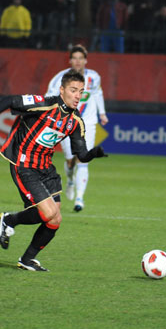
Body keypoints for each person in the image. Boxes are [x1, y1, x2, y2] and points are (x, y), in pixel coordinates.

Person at [0, 70, 108, 271]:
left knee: (55, 219)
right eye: (73, 90)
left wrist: (93, 153)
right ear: (62, 90)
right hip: (24, 164)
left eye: (81, 91)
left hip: (46, 168)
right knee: (49, 213)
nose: (78, 95)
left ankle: (26, 258)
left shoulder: (75, 121)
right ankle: (10, 221)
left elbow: (81, 154)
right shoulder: (45, 104)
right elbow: (11, 100)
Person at [46, 45, 108, 211]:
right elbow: (48, 96)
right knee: (70, 160)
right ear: (70, 60)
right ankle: (70, 180)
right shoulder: (61, 78)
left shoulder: (94, 77)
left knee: (83, 159)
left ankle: (79, 199)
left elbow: (97, 94)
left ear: (86, 60)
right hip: (66, 122)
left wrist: (102, 113)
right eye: (75, 58)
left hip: (87, 123)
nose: (78, 61)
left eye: (81, 58)